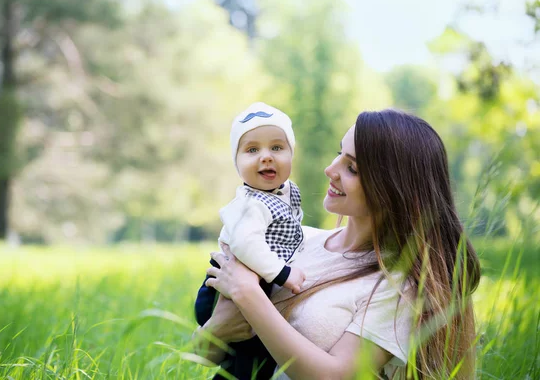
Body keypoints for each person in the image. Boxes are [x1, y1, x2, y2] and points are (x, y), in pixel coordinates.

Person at [193, 109, 481, 380]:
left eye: (352, 167)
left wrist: (247, 294)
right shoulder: (294, 241)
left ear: (393, 187)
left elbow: (337, 376)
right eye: (338, 154)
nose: (330, 169)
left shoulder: (398, 286)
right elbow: (201, 355)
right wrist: (217, 328)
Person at [194, 102, 307, 379]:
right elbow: (245, 245)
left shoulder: (285, 192)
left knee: (258, 357)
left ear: (291, 154)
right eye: (252, 150)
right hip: (227, 286)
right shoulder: (250, 203)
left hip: (256, 281)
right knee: (247, 359)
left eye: (277, 148)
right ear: (237, 163)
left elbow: (292, 223)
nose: (266, 157)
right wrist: (283, 273)